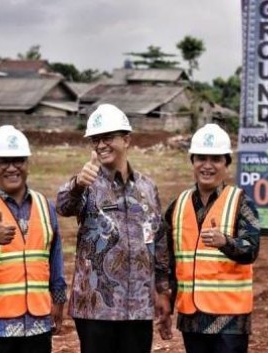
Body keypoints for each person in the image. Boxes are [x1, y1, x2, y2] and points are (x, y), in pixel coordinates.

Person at [55, 104, 164, 353]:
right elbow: (63, 206)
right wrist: (77, 184)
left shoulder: (147, 188)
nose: (101, 145)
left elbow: (158, 241)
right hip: (96, 307)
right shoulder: (87, 183)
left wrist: (163, 289)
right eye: (96, 140)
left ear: (126, 139)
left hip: (138, 306)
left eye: (107, 138)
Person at [0, 125, 66, 353]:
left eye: (18, 161)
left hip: (37, 323)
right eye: (2, 162)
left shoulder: (45, 206)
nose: (11, 168)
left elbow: (54, 257)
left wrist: (58, 297)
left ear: (27, 163)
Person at [157, 123, 260, 353]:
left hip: (230, 320)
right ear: (192, 162)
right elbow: (168, 260)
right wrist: (166, 300)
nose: (207, 165)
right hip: (191, 317)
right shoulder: (179, 205)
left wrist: (226, 242)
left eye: (215, 159)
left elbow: (252, 249)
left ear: (226, 164)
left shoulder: (241, 203)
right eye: (201, 158)